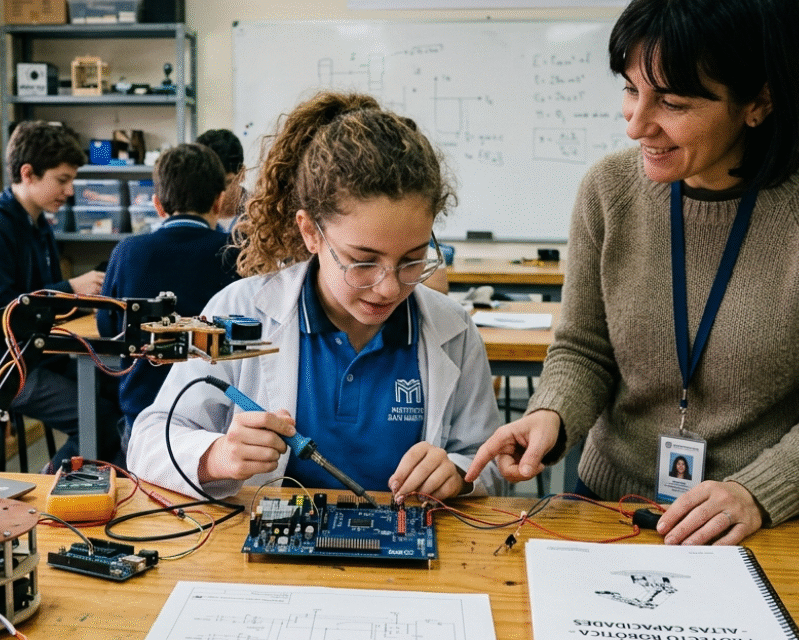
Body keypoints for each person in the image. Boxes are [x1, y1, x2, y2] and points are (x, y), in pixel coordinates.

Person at [465, 0, 799, 545]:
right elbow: (583, 349)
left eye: (672, 102)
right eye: (630, 89)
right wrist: (551, 414)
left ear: (759, 100)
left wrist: (758, 491)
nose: (637, 125)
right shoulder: (609, 190)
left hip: (761, 529)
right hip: (612, 509)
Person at [128, 91, 504, 501]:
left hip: (410, 551)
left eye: (413, 260)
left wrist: (457, 471)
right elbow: (149, 441)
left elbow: (491, 462)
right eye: (363, 261)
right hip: (273, 553)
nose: (390, 287)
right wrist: (215, 456)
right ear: (310, 232)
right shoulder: (239, 310)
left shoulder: (453, 330)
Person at [0, 120, 122, 470]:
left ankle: (98, 484)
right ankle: (52, 492)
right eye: (62, 180)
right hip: (0, 369)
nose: (71, 190)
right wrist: (70, 289)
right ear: (28, 173)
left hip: (36, 354)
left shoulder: (38, 224)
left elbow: (45, 303)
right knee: (98, 418)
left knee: (121, 390)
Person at [97, 143, 240, 453]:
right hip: (216, 422)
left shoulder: (128, 251)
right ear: (219, 202)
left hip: (143, 415)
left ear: (157, 205)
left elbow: (107, 328)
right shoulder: (235, 252)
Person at [196, 128, 246, 235]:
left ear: (242, 174)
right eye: (208, 184)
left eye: (226, 183)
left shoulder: (261, 215)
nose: (217, 195)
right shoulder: (191, 218)